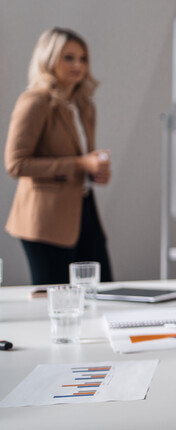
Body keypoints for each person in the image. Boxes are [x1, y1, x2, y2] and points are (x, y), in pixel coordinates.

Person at [5, 27, 113, 285]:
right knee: (53, 300)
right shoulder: (35, 101)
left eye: (83, 58)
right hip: (45, 220)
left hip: (83, 210)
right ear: (48, 58)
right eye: (69, 57)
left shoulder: (83, 105)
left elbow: (81, 159)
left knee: (103, 292)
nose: (78, 64)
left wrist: (94, 170)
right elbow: (16, 163)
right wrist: (79, 164)